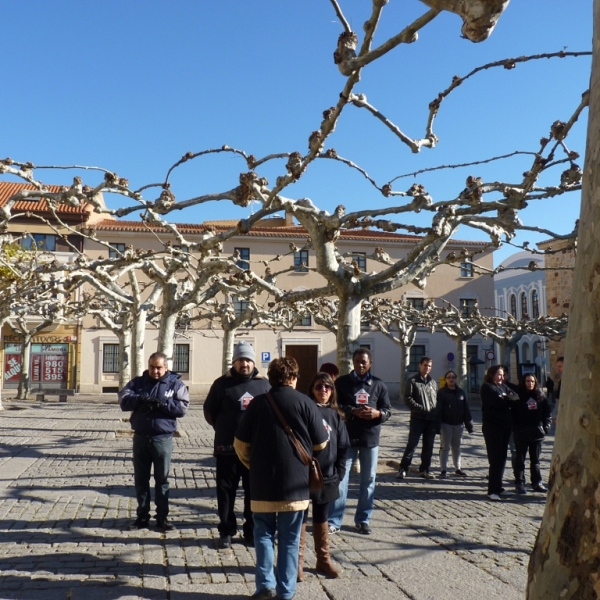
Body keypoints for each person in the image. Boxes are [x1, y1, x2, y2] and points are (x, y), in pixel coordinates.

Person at [234, 357, 329, 600]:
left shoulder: (257, 404)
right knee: (289, 539)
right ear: (294, 378)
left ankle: (265, 585)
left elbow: (240, 444)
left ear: (270, 377)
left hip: (262, 482)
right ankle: (286, 592)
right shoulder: (306, 403)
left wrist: (252, 464)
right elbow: (321, 442)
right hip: (296, 484)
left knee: (263, 534)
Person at [203, 341, 270, 549]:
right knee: (226, 493)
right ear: (234, 362)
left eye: (248, 360)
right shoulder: (221, 384)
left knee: (253, 493)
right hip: (227, 450)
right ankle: (226, 530)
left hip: (254, 451)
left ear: (253, 362)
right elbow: (209, 411)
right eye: (241, 360)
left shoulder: (264, 385)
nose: (245, 364)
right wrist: (224, 429)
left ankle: (251, 530)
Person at [119, 351, 189, 530]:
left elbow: (182, 408)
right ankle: (142, 516)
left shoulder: (175, 384)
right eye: (152, 367)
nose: (155, 371)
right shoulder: (137, 382)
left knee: (162, 479)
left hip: (162, 439)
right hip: (141, 437)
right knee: (141, 480)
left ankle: (162, 517)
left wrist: (161, 404)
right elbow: (123, 399)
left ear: (166, 367)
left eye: (159, 367)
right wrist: (139, 399)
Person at [328, 348, 391, 535]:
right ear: (352, 363)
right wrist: (351, 411)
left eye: (364, 362)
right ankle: (334, 520)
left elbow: (387, 410)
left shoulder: (379, 385)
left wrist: (377, 413)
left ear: (370, 363)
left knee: (368, 480)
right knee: (341, 480)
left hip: (370, 439)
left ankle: (363, 519)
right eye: (357, 361)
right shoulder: (342, 383)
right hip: (346, 438)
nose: (360, 365)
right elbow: (335, 405)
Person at [298, 372, 349, 581]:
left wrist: (340, 473)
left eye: (327, 387)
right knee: (300, 518)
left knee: (322, 518)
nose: (323, 391)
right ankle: (297, 563)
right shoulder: (305, 410)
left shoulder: (336, 415)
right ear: (312, 389)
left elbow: (343, 446)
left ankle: (323, 559)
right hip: (304, 475)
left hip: (328, 475)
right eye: (319, 387)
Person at [480, 365, 519, 501]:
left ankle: (499, 487)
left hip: (505, 427)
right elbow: (498, 403)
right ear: (492, 375)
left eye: (503, 375)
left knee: (502, 459)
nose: (502, 377)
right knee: (495, 459)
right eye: (499, 375)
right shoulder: (487, 387)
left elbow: (515, 398)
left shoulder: (503, 387)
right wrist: (507, 400)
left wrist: (507, 399)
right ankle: (492, 490)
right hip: (493, 428)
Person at [397, 356, 438, 480]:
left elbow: (436, 399)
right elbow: (408, 398)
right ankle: (403, 468)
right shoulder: (413, 381)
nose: (427, 368)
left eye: (429, 366)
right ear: (420, 365)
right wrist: (420, 408)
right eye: (425, 365)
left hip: (431, 420)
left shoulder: (433, 382)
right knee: (412, 444)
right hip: (417, 418)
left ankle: (425, 469)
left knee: (428, 446)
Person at [512, 374, 552, 494]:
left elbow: (547, 414)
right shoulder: (517, 396)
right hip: (522, 432)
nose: (530, 383)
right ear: (523, 382)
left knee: (535, 460)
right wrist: (516, 428)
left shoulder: (540, 396)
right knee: (520, 459)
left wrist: (546, 428)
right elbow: (512, 414)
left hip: (537, 433)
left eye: (532, 381)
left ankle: (537, 482)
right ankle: (520, 483)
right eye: (527, 381)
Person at [437, 370, 474, 478]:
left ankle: (458, 468)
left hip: (459, 424)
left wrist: (469, 424)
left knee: (457, 447)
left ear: (456, 379)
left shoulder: (461, 392)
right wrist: (437, 425)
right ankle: (443, 469)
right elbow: (438, 410)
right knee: (445, 447)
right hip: (446, 424)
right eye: (448, 377)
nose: (451, 379)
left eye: (453, 377)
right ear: (446, 379)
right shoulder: (442, 392)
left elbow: (465, 409)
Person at [551, 356, 564, 423]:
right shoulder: (562, 381)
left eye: (560, 367)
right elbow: (558, 400)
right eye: (557, 367)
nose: (558, 369)